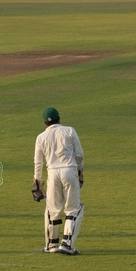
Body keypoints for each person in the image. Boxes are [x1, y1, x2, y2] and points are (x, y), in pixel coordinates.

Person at [33, 107, 85, 255]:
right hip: (70, 170)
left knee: (53, 209)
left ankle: (52, 244)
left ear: (44, 122)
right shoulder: (69, 131)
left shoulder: (41, 137)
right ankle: (67, 244)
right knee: (73, 209)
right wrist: (80, 172)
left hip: (52, 173)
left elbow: (38, 162)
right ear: (59, 118)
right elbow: (79, 155)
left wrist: (38, 182)